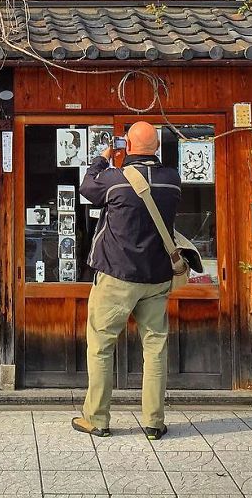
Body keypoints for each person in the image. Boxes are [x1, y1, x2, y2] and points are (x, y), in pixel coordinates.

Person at [72, 121, 180, 441]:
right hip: (157, 277)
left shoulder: (116, 180)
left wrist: (103, 158)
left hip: (116, 276)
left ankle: (97, 419)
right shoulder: (172, 180)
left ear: (127, 146)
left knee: (101, 347)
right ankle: (154, 422)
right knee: (155, 348)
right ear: (157, 147)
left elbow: (88, 187)